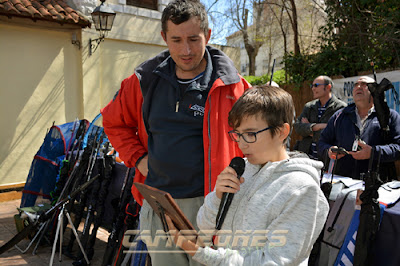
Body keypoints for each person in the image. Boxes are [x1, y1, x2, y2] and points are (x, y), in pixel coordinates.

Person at [100, 0, 250, 265]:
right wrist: (137, 158)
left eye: (194, 38)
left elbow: (257, 139)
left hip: (213, 205)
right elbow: (113, 122)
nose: (186, 49)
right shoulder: (143, 80)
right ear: (164, 38)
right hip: (161, 205)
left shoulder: (234, 86)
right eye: (176, 40)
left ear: (209, 35)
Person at [165, 85, 329, 265]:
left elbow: (274, 261)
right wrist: (217, 197)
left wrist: (203, 254)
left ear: (282, 131)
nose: (242, 144)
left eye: (251, 134)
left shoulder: (301, 188)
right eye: (238, 134)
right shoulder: (242, 168)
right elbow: (205, 227)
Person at [318, 76, 400, 181]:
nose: (359, 87)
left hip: (377, 185)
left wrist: (373, 152)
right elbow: (322, 143)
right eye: (356, 85)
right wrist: (329, 151)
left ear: (375, 91)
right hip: (344, 184)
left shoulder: (390, 116)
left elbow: (398, 148)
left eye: (365, 84)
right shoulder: (339, 116)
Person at [294, 75, 346, 159]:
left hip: (327, 159)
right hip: (307, 158)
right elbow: (297, 128)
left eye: (316, 85)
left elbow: (337, 133)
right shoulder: (309, 106)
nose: (313, 88)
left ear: (328, 87)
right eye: (312, 86)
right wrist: (317, 126)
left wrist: (309, 130)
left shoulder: (340, 107)